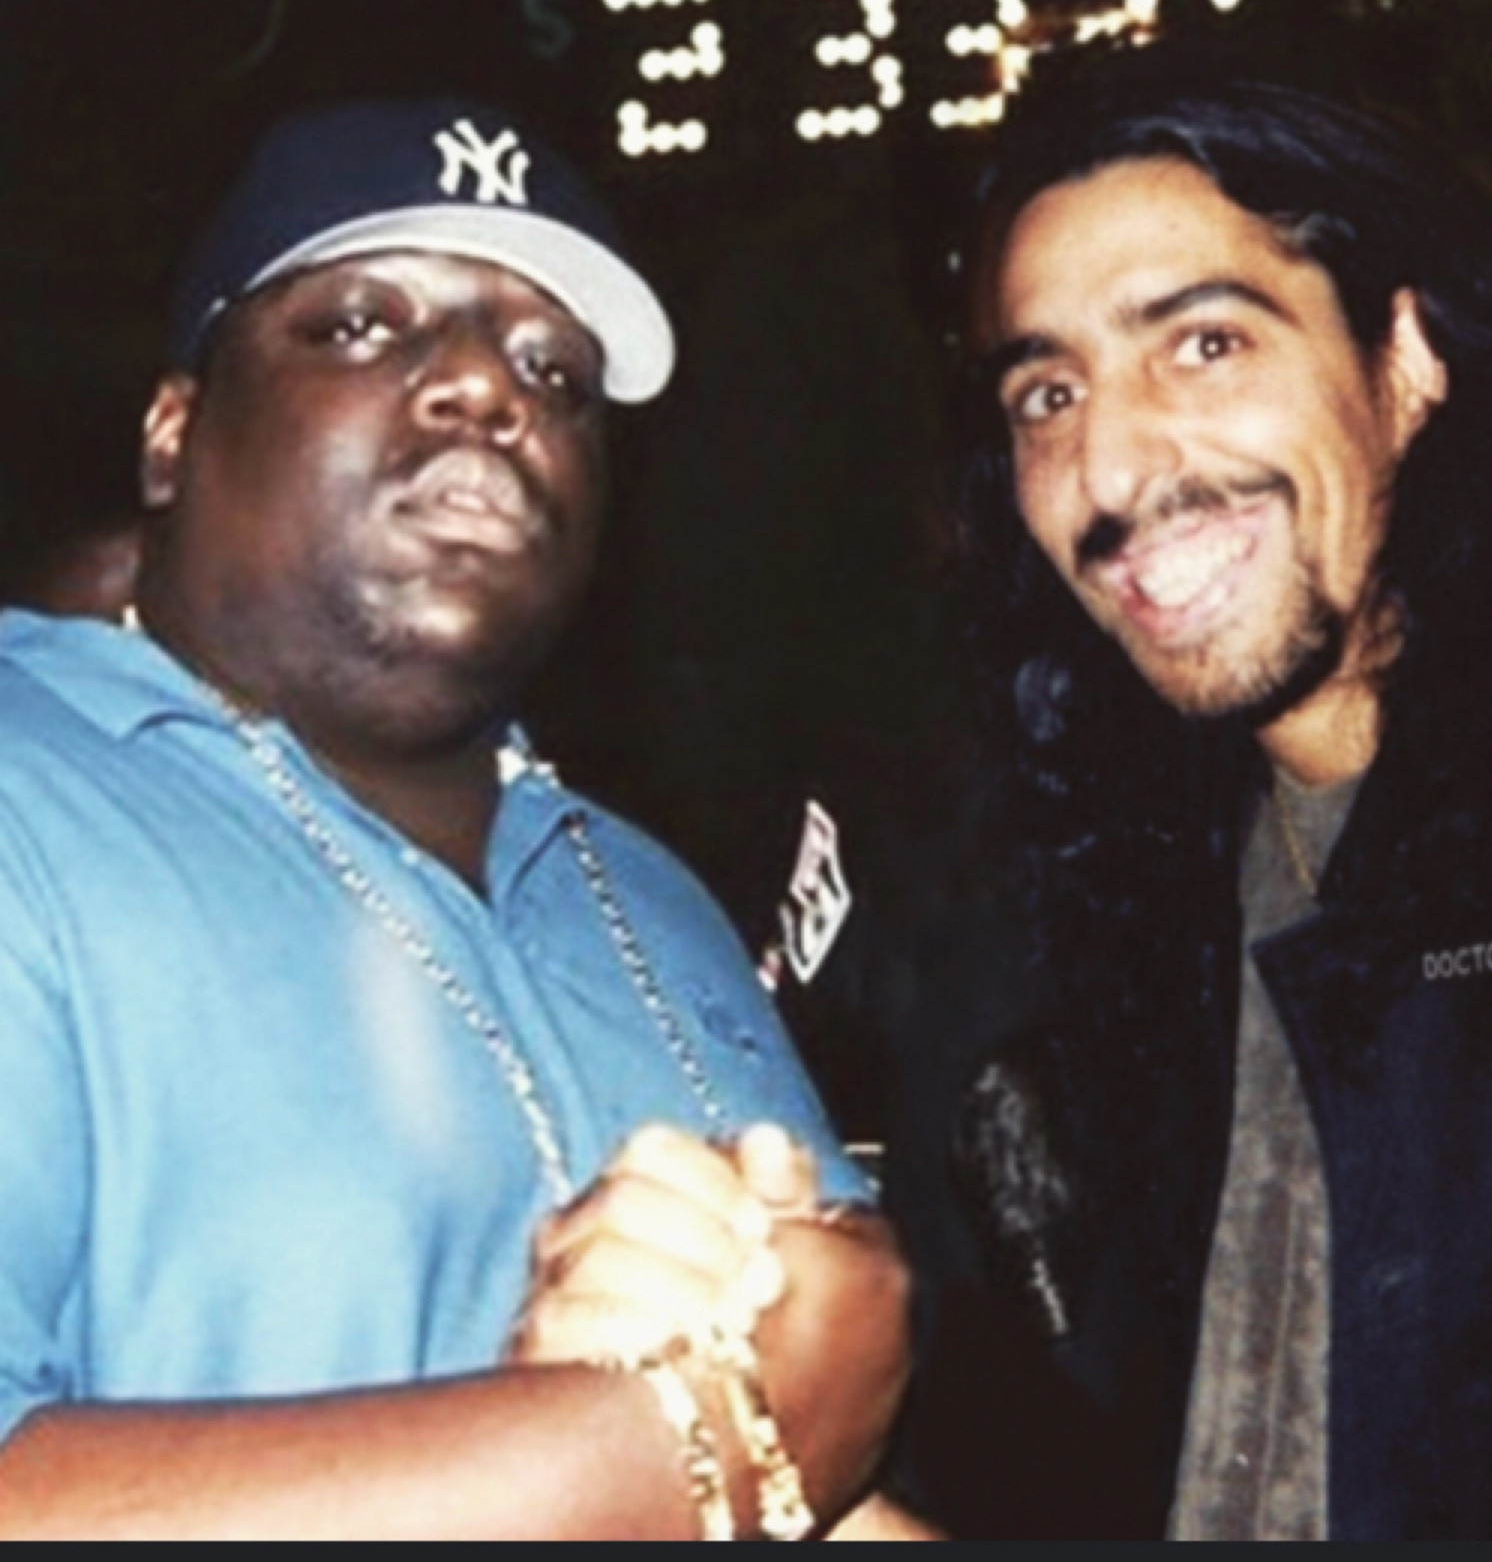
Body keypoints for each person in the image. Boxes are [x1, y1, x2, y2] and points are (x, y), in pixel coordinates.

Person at [0, 97, 915, 1538]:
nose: (491, 387)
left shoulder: (652, 895)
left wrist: (786, 1405)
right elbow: (756, 1442)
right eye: (365, 324)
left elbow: (818, 1488)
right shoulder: (28, 792)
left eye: (556, 370)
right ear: (174, 432)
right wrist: (680, 1444)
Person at [883, 44, 1492, 1538]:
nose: (1110, 471)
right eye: (1048, 391)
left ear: (1405, 363)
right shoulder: (1098, 913)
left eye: (1204, 344)